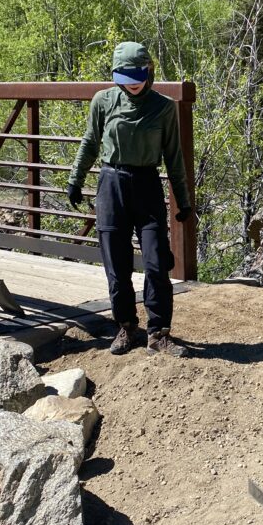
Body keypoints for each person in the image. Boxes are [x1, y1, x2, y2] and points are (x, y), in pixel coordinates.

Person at [66, 42, 193, 357]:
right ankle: (125, 327)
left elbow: (174, 157)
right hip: (111, 186)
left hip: (147, 185)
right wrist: (75, 179)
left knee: (155, 261)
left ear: (149, 71)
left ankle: (158, 332)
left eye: (137, 73)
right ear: (115, 74)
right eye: (124, 75)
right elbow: (90, 142)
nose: (132, 81)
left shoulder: (163, 107)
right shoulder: (103, 101)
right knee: (117, 265)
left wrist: (183, 199)